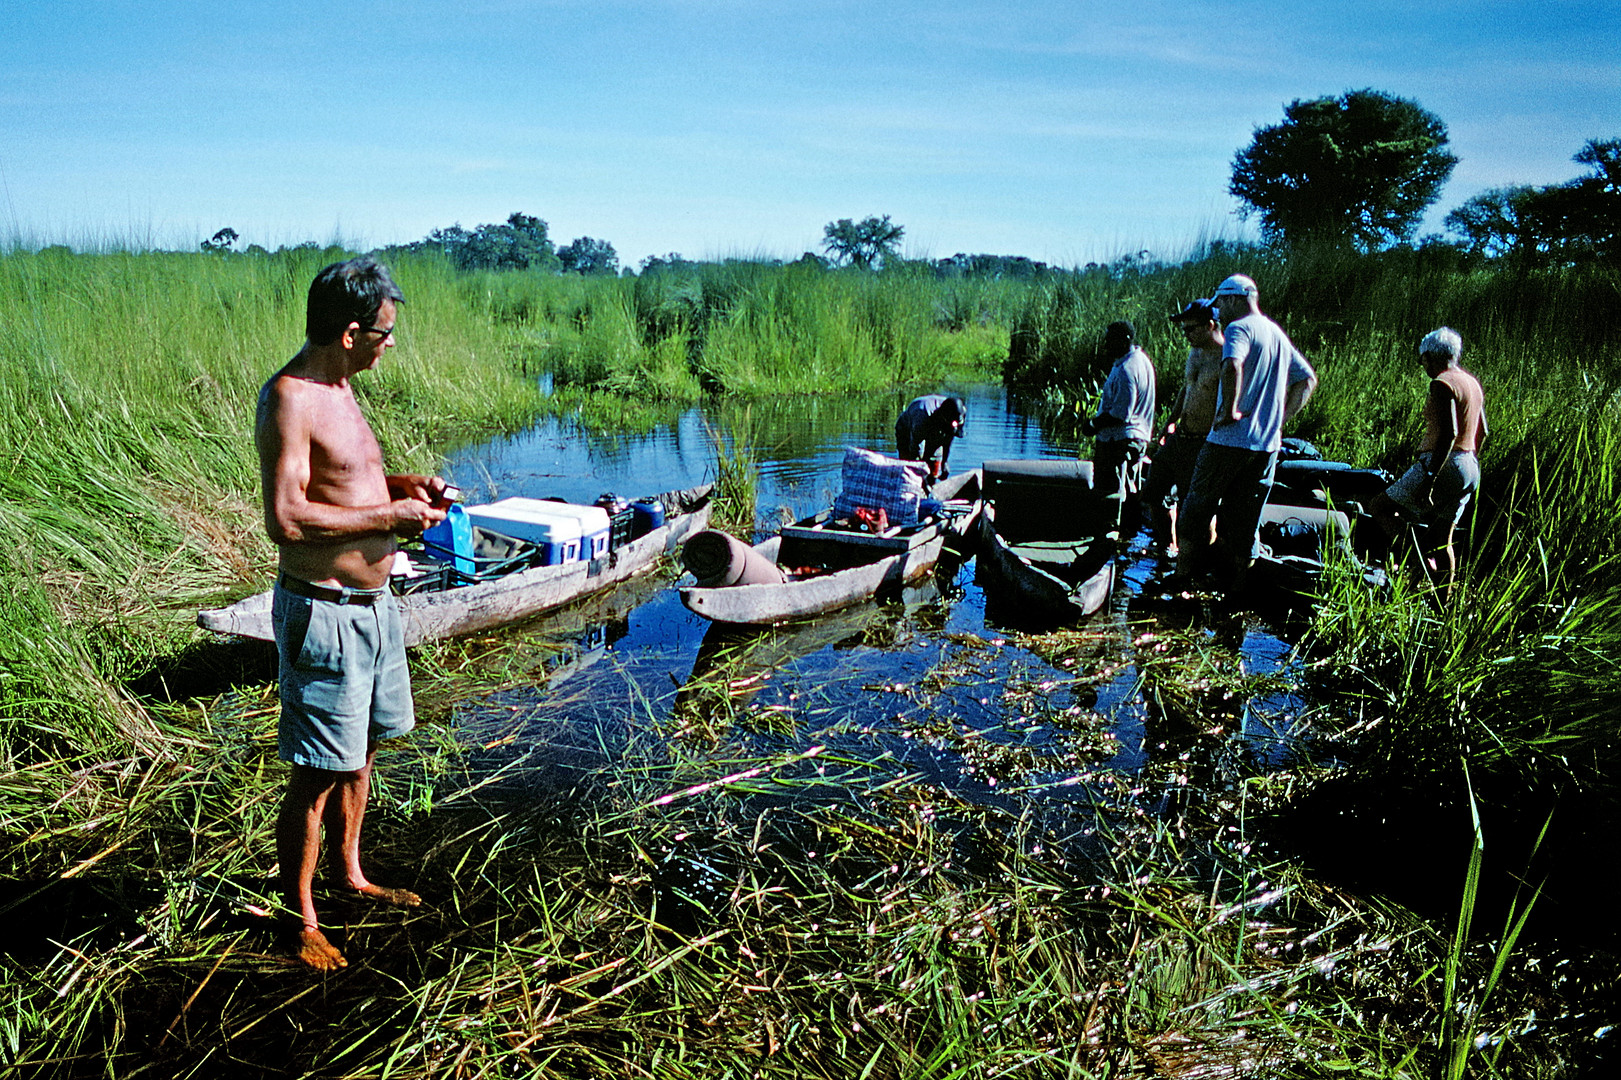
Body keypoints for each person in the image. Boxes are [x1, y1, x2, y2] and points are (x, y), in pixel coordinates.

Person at [257, 257, 453, 971]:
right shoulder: (291, 398)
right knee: (315, 770)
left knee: (362, 749)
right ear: (348, 332)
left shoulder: (343, 388)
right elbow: (286, 517)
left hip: (375, 609)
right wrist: (391, 514)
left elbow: (343, 483)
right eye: (383, 332)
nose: (390, 343)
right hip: (326, 615)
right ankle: (299, 917)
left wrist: (405, 486)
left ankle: (351, 874)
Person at [1176, 274, 1317, 589]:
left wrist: (1229, 409)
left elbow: (1232, 365)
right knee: (1245, 521)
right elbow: (1307, 379)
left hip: (1228, 440)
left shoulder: (1238, 328)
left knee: (1195, 509)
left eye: (1220, 306)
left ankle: (1183, 577)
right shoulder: (1275, 333)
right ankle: (1238, 587)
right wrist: (1279, 421)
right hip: (1266, 446)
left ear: (1231, 299)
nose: (1218, 314)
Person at [1371, 327, 1487, 599]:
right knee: (1442, 538)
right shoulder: (1471, 382)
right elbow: (1483, 431)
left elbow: (1449, 432)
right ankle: (1441, 604)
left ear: (1430, 357)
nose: (1422, 365)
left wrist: (1431, 478)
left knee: (1380, 508)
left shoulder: (1441, 384)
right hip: (1469, 465)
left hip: (1442, 463)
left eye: (1422, 359)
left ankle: (1417, 564)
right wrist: (1465, 461)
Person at [1140, 299, 1224, 554]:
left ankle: (1201, 561)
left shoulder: (1226, 357)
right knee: (1153, 492)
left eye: (1190, 329)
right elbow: (1186, 390)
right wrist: (1169, 423)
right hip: (1180, 437)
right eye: (1183, 329)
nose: (1185, 335)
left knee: (1196, 506)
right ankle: (1167, 547)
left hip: (1204, 442)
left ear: (1210, 325)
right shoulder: (1195, 352)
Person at [1082, 321, 1156, 544]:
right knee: (1130, 490)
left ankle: (1113, 540)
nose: (1105, 345)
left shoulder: (1127, 369)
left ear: (1124, 340)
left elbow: (1120, 413)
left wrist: (1092, 425)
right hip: (1135, 438)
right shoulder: (1140, 361)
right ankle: (1127, 538)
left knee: (1114, 493)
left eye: (1109, 340)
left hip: (1121, 441)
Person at [895, 394, 967, 481]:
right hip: (907, 429)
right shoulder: (922, 415)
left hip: (935, 426)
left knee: (933, 467)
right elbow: (916, 450)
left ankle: (930, 487)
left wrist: (944, 462)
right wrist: (919, 472)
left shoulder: (960, 412)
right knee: (909, 469)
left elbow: (949, 436)